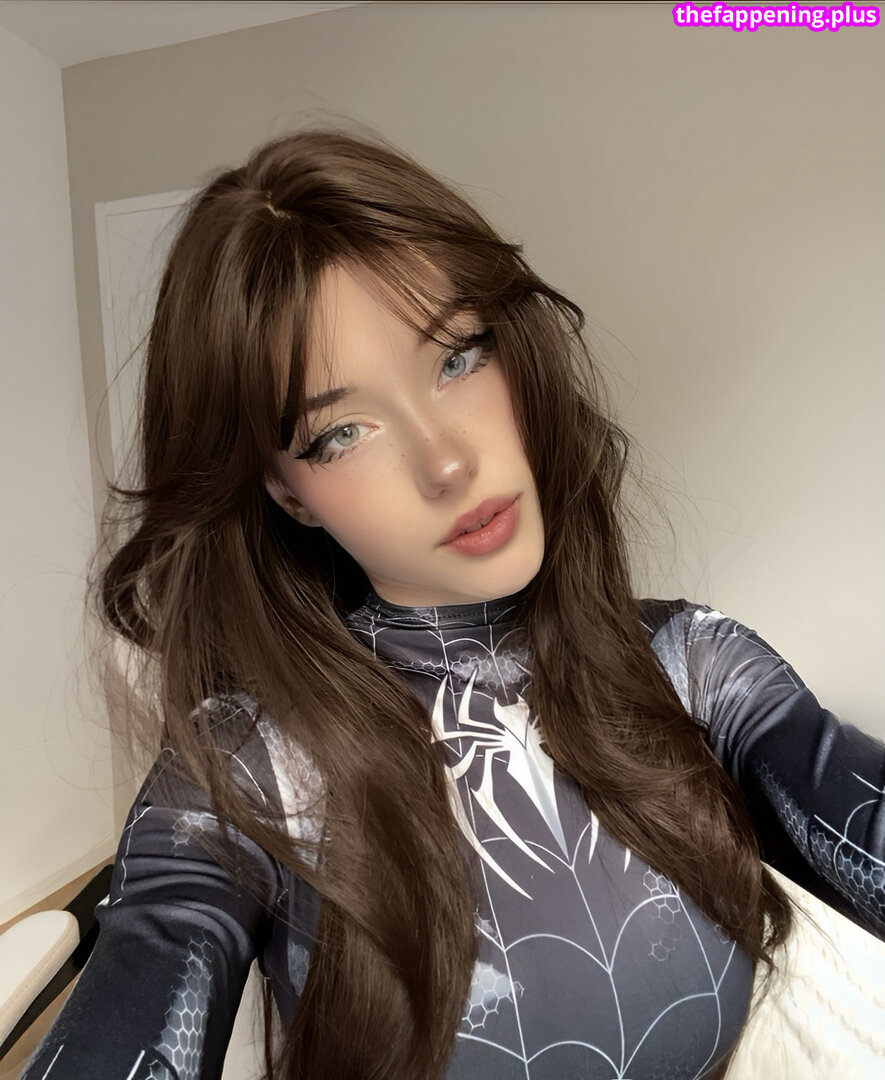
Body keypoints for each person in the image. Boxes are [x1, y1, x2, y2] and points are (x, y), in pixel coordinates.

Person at [23, 130, 884, 1080]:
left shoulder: (692, 664)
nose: (444, 462)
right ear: (284, 493)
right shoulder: (247, 769)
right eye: (341, 431)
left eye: (457, 357)